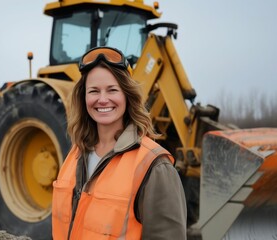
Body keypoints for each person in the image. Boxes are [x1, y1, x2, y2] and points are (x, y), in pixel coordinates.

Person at [52, 46, 187, 239]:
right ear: (83, 98)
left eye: (112, 90)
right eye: (94, 91)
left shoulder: (155, 167)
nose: (103, 99)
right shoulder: (75, 155)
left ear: (127, 95)